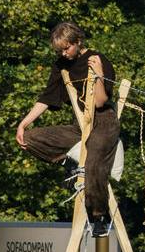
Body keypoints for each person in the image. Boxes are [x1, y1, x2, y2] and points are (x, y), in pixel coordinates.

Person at [16, 22, 121, 237]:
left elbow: (100, 101)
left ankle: (99, 216)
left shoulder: (97, 59)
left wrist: (99, 74)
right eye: (60, 50)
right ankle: (70, 161)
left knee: (93, 162)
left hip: (103, 122)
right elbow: (47, 97)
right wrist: (24, 123)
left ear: (78, 42)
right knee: (30, 138)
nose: (64, 53)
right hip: (80, 123)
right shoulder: (61, 65)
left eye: (67, 48)